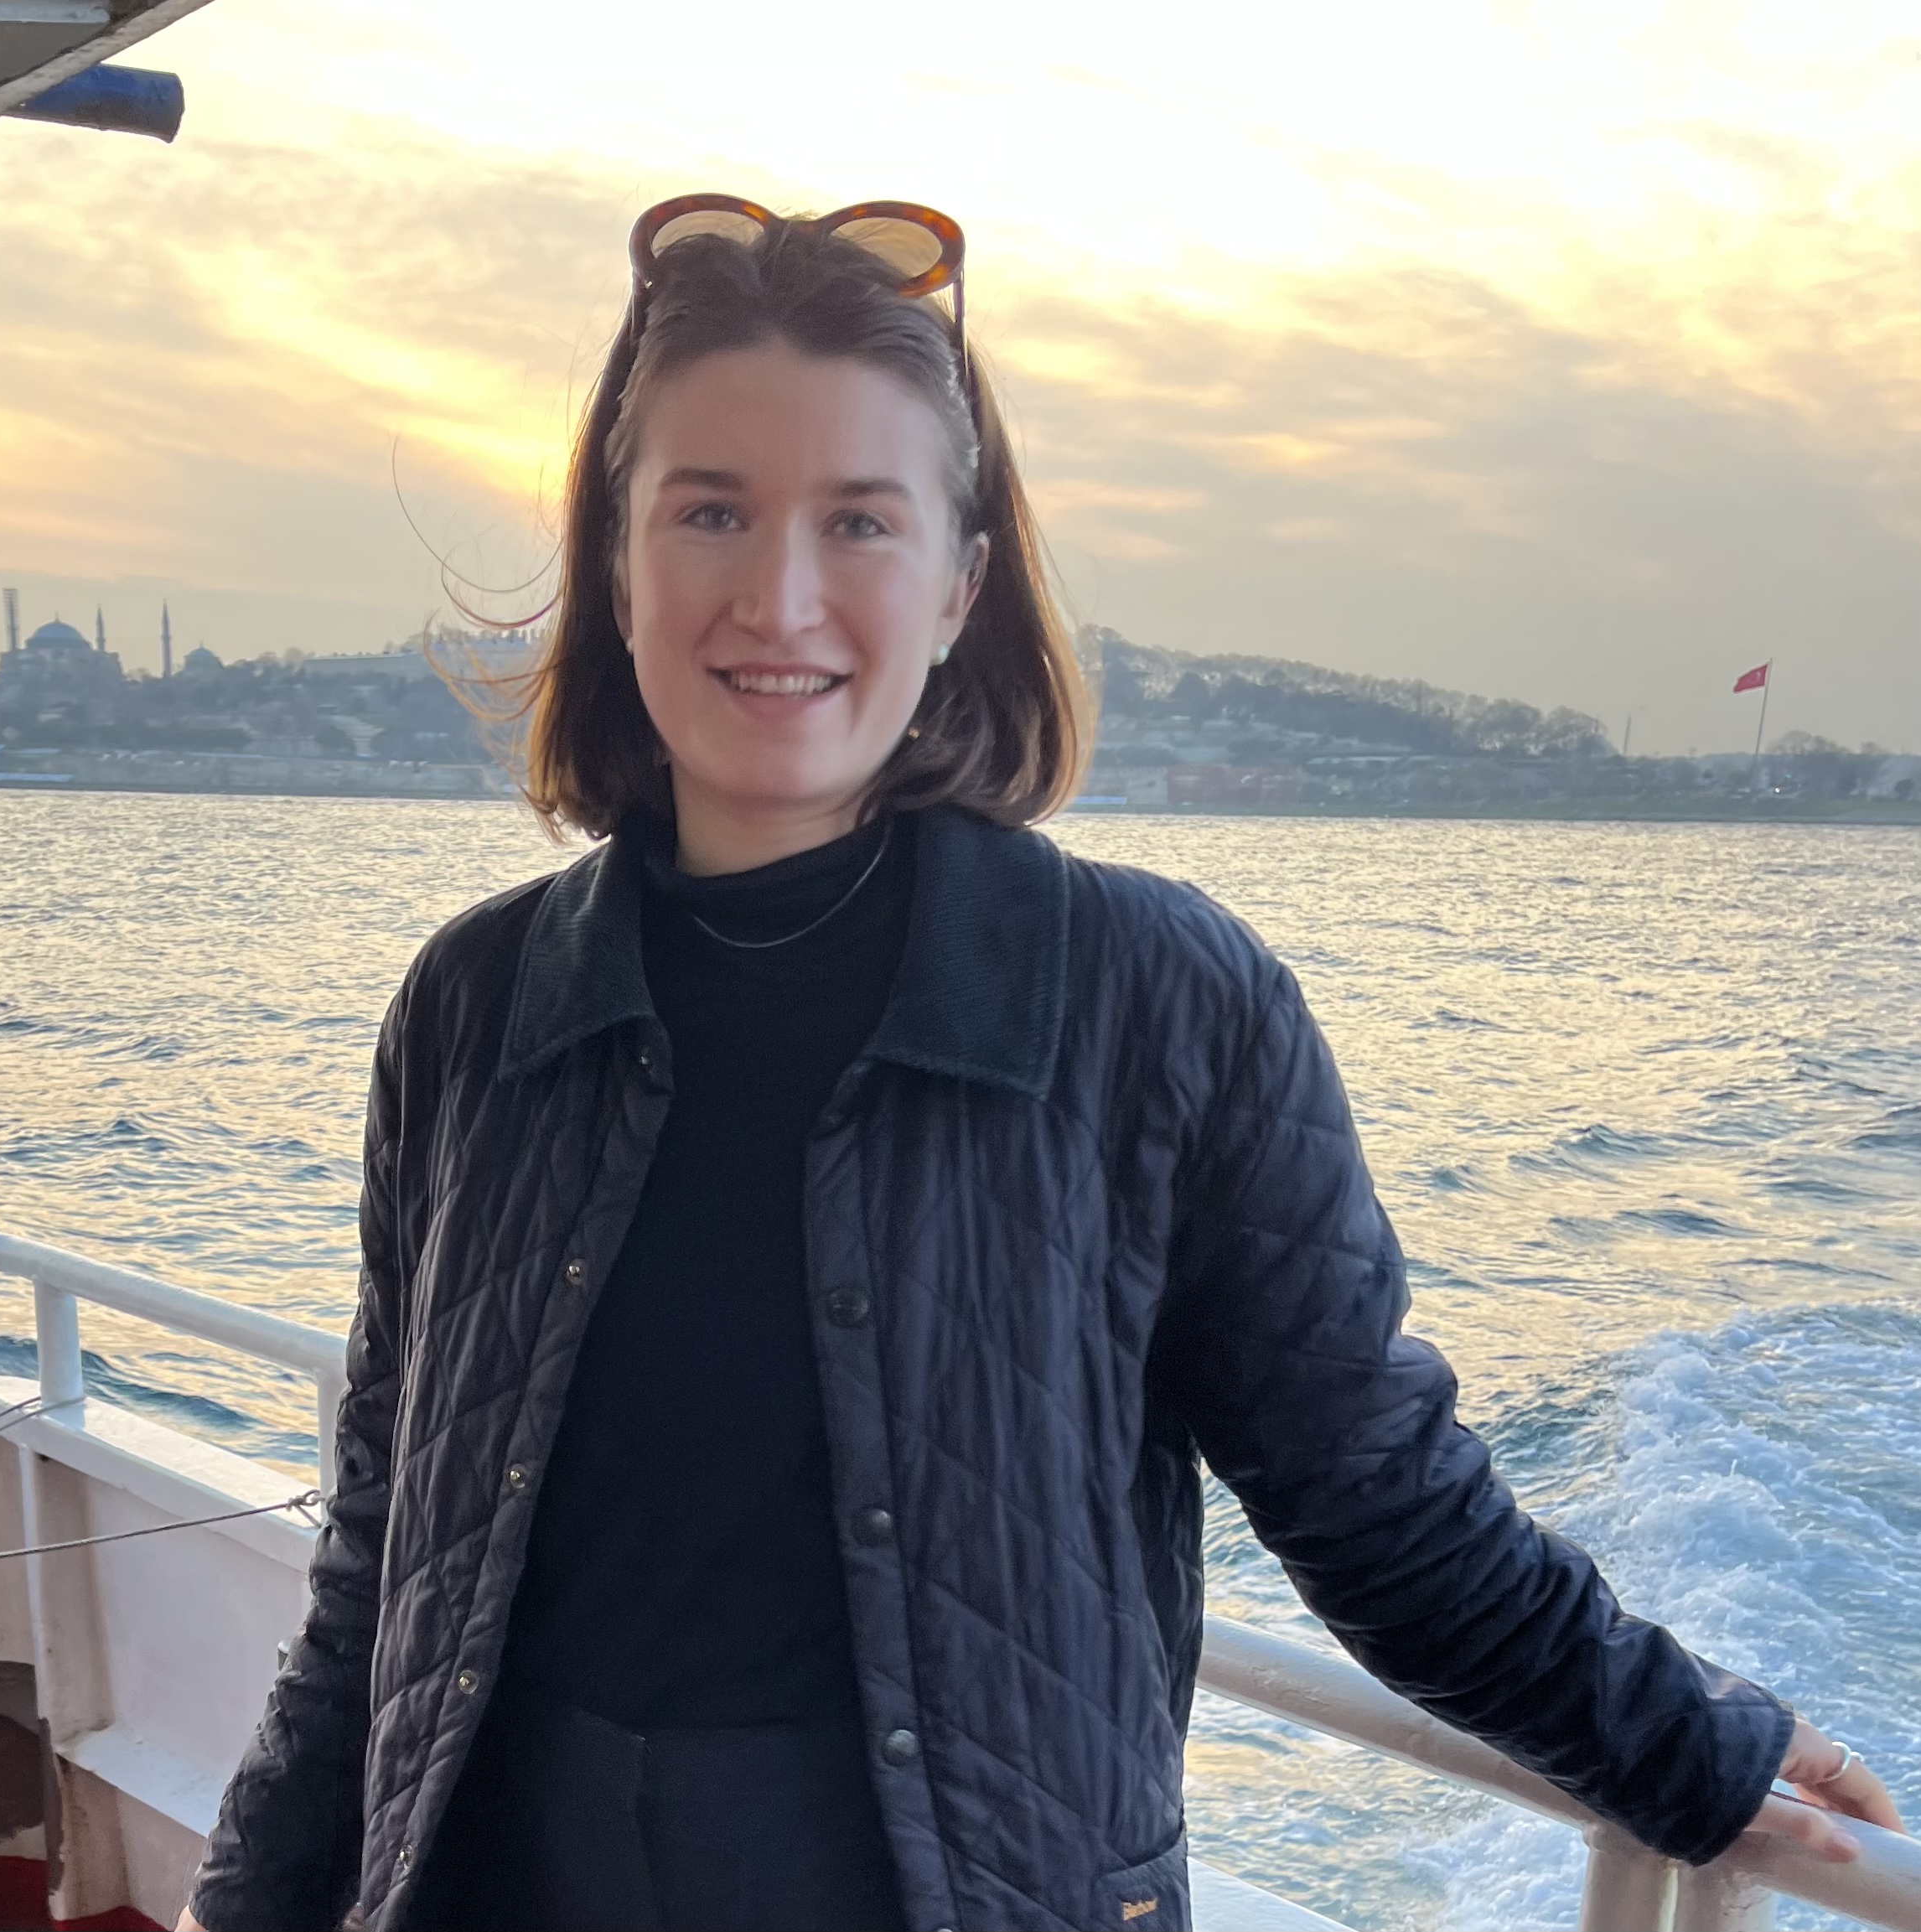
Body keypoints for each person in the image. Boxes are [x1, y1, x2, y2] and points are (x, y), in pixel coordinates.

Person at [178, 197, 1903, 1932]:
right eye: (709, 510)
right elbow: (385, 1557)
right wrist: (245, 1902)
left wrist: (1690, 1749)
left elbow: (1376, 1501)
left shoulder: (1163, 1004)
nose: (779, 595)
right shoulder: (475, 1007)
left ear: (958, 587)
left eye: (859, 520)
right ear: (617, 564)